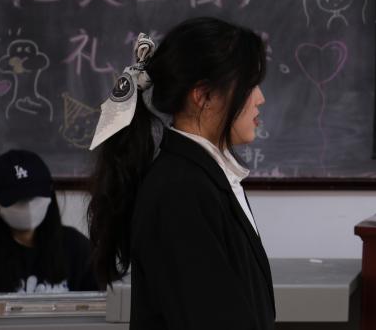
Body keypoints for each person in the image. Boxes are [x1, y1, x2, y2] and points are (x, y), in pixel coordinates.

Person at [87, 17, 274, 329]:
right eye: (249, 85)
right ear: (203, 96)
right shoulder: (181, 191)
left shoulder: (205, 176)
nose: (260, 98)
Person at [0, 149, 98, 294]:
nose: (29, 206)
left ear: (50, 194)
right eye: (17, 200)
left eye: (34, 197)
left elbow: (104, 298)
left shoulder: (76, 248)